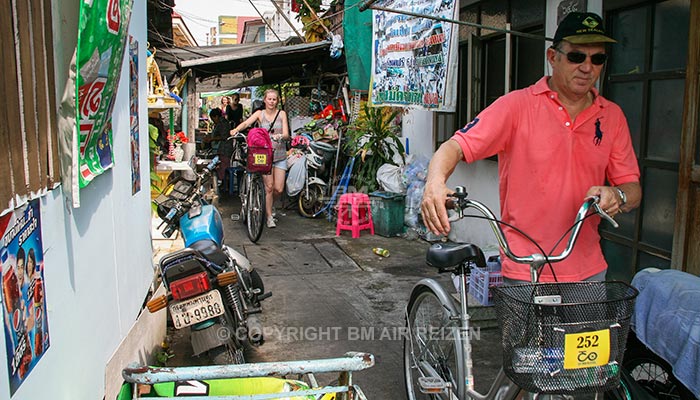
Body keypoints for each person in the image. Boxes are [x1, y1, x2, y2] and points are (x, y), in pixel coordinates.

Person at [421, 12, 642, 284]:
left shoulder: (612, 116)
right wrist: (434, 182)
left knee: (590, 329)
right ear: (553, 57)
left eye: (598, 59)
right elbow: (455, 146)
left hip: (589, 269)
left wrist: (617, 195)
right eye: (576, 57)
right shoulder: (516, 107)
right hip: (526, 268)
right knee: (524, 330)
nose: (587, 67)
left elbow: (633, 189)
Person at [230, 89, 290, 228]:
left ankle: (270, 205)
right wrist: (236, 130)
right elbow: (246, 123)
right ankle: (269, 217)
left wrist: (280, 136)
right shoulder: (259, 114)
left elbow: (286, 134)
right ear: (264, 100)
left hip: (280, 155)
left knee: (278, 189)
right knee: (268, 187)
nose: (272, 102)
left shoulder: (282, 114)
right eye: (269, 99)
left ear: (277, 101)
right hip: (264, 155)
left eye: (274, 99)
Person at [203, 108, 232, 182]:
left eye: (213, 119)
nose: (213, 121)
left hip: (224, 149)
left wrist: (211, 139)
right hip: (220, 149)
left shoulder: (223, 123)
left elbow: (224, 136)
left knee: (223, 166)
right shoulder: (219, 123)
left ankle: (222, 182)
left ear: (216, 116)